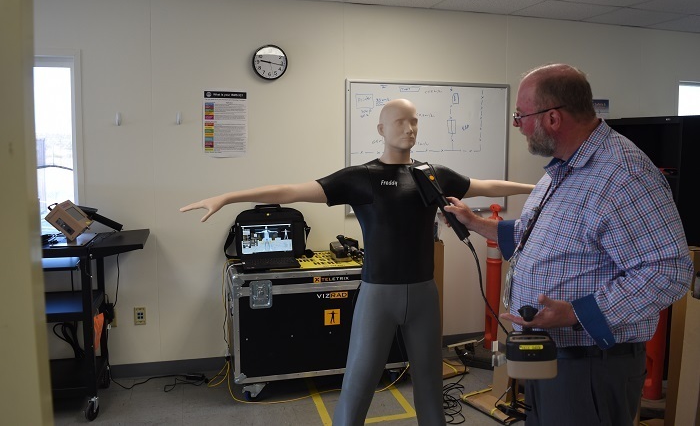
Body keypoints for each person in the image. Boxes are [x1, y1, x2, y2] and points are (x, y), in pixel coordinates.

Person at [180, 98, 534, 426]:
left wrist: (539, 188)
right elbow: (290, 191)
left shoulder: (432, 174)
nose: (409, 129)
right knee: (359, 381)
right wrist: (228, 197)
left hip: (425, 293)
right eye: (399, 122)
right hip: (378, 296)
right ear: (380, 129)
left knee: (428, 383)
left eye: (414, 122)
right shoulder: (360, 178)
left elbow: (486, 186)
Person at [444, 64, 694, 426]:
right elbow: (540, 236)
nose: (518, 126)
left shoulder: (624, 174)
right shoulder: (564, 168)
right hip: (553, 355)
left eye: (520, 116)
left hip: (591, 364)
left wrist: (576, 313)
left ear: (553, 119)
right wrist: (475, 223)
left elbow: (668, 270)